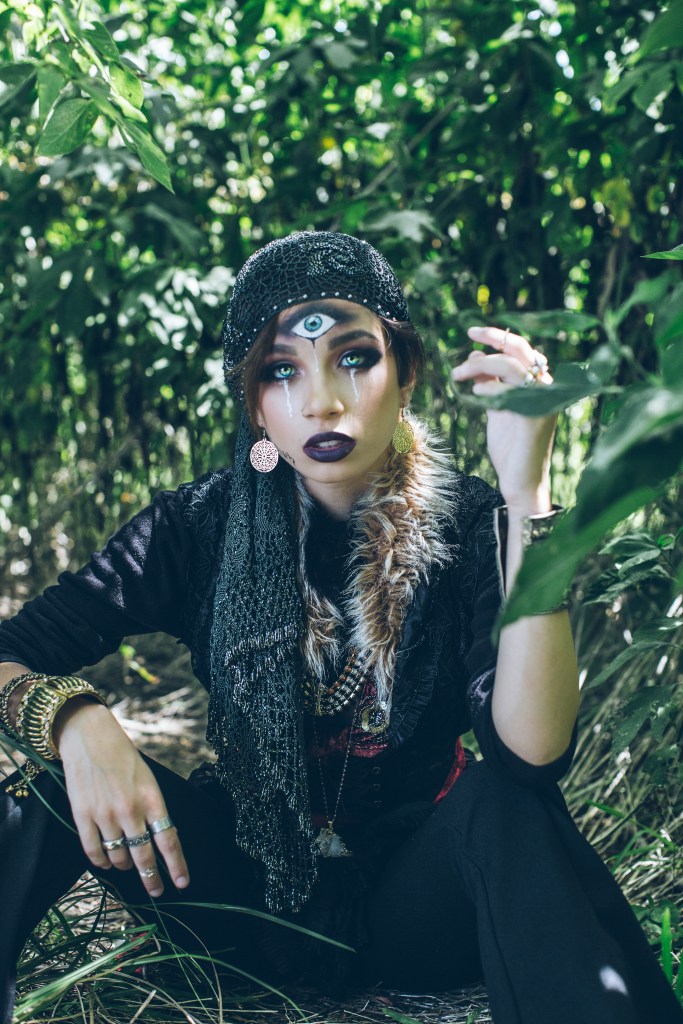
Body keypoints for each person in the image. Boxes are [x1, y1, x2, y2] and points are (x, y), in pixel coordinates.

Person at [0, 232, 680, 1024]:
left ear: (406, 373)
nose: (320, 400)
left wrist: (525, 495)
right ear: (253, 404)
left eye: (353, 358)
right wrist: (77, 722)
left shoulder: (468, 522)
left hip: (416, 910)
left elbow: (532, 753)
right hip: (234, 901)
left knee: (507, 804)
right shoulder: (197, 527)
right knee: (45, 788)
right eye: (280, 371)